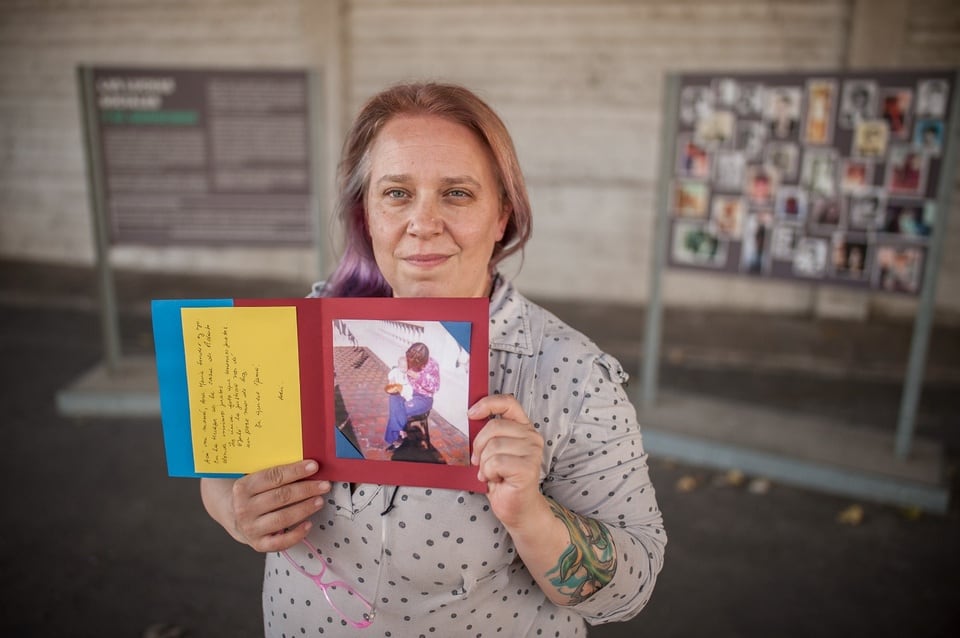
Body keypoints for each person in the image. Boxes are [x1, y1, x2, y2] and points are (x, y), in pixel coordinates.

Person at [199, 81, 666, 636]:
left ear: (501, 217)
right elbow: (221, 466)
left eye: (457, 193)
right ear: (367, 214)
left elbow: (629, 591)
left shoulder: (573, 375)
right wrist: (235, 507)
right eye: (397, 193)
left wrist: (532, 516)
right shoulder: (306, 325)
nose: (423, 222)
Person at [384, 342, 438, 451]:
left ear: (422, 361)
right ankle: (400, 431)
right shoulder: (409, 359)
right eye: (409, 360)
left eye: (412, 363)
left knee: (400, 409)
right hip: (405, 390)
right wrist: (393, 379)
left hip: (423, 398)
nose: (410, 364)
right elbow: (398, 367)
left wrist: (419, 377)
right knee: (393, 397)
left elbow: (435, 387)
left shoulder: (432, 365)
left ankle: (398, 439)